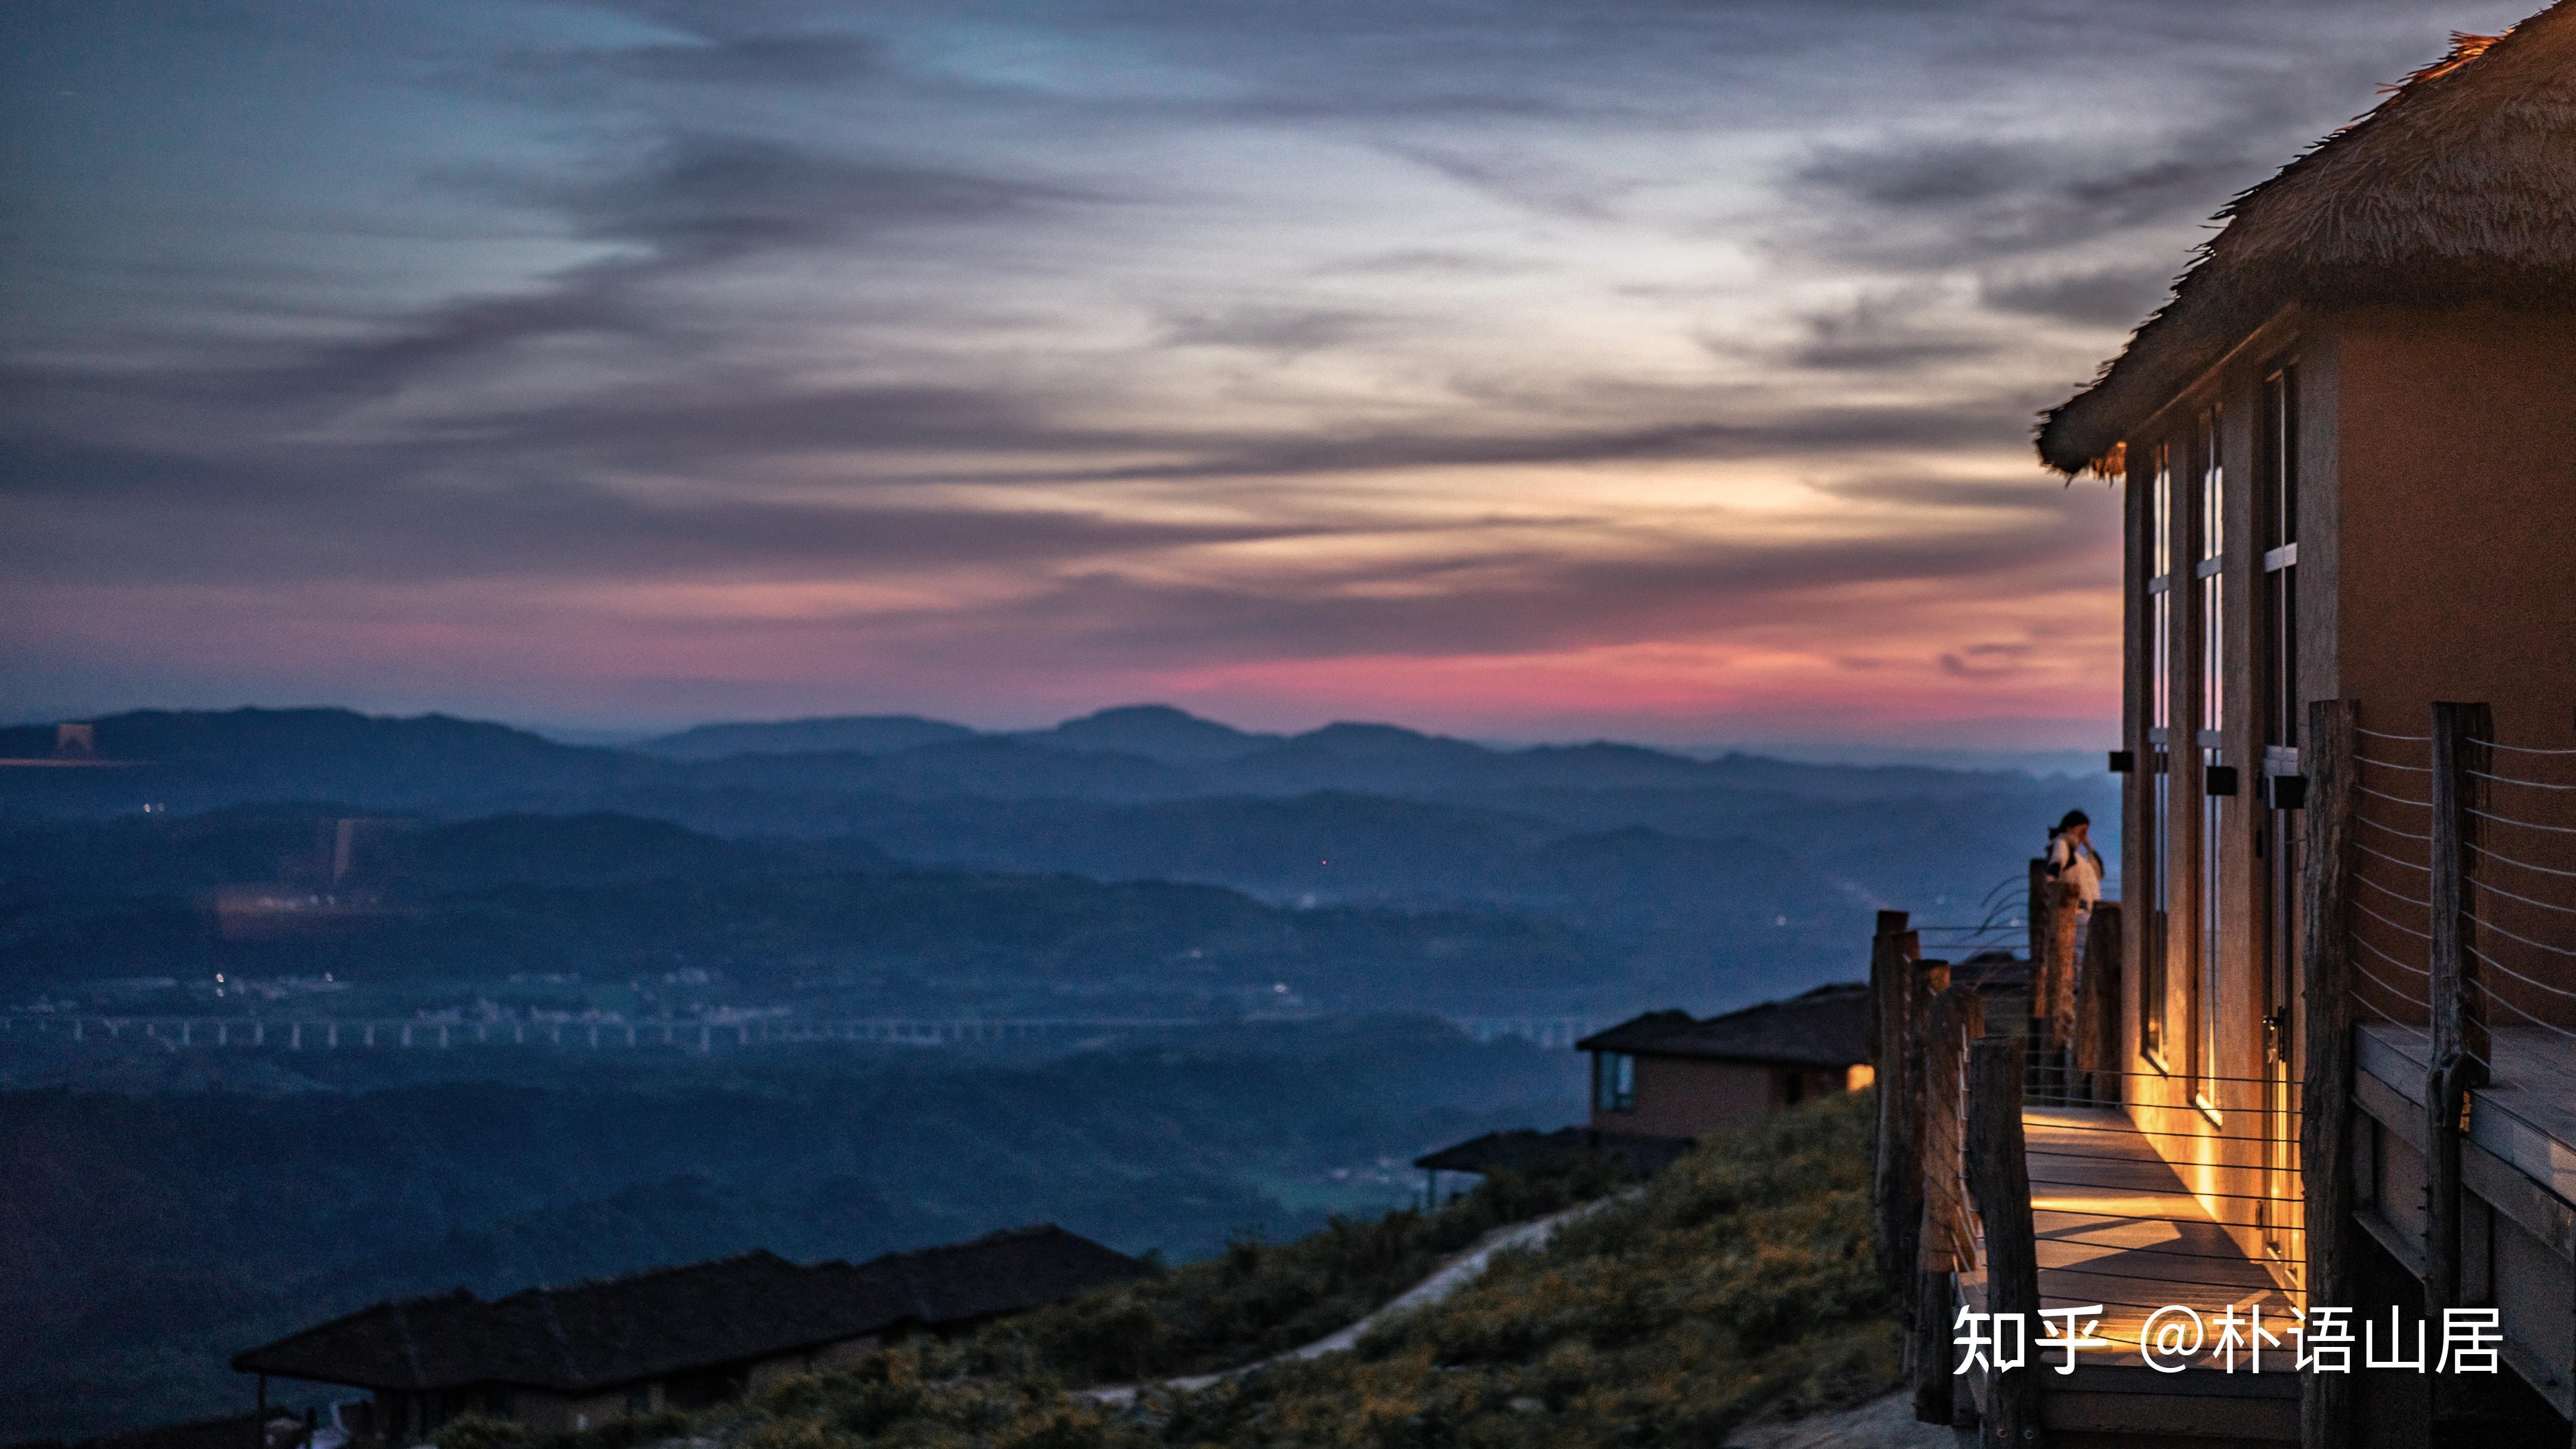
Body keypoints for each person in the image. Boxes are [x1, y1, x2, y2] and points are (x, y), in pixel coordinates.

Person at [2046, 809, 2103, 911]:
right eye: (2082, 830)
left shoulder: (2079, 857)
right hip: (2075, 909)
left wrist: (2088, 845)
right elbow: (2058, 859)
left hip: (2087, 909)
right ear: (2069, 828)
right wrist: (2051, 879)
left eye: (2086, 832)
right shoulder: (2062, 844)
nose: (2084, 834)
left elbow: (2099, 873)